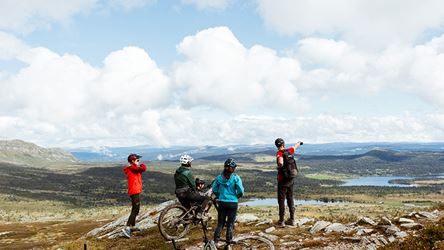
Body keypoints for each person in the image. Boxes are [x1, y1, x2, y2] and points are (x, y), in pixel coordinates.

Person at [212, 158, 244, 245]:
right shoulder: (236, 178)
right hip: (233, 203)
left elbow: (214, 189)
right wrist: (236, 197)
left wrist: (219, 196)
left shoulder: (219, 178)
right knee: (230, 224)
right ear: (233, 168)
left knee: (220, 223)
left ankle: (216, 241)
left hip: (222, 202)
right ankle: (228, 242)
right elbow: (241, 191)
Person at [275, 138, 302, 227]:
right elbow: (295, 146)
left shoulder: (279, 153)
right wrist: (299, 142)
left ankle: (281, 221)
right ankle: (292, 219)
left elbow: (280, 162)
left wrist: (279, 166)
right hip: (291, 179)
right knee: (290, 199)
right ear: (284, 144)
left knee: (281, 200)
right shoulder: (289, 151)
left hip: (282, 181)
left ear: (276, 146)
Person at [174, 154, 210, 218]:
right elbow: (193, 185)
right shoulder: (187, 172)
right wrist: (198, 188)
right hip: (187, 194)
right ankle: (199, 213)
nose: (191, 163)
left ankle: (186, 221)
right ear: (187, 163)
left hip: (179, 194)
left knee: (188, 210)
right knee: (206, 197)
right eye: (190, 161)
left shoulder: (177, 172)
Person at [122, 153, 147, 238]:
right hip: (134, 191)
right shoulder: (132, 168)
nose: (139, 162)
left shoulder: (133, 168)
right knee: (135, 209)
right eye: (137, 160)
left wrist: (138, 165)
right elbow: (143, 168)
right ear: (132, 161)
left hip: (135, 190)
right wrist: (141, 165)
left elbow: (140, 169)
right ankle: (127, 227)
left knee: (136, 209)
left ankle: (132, 226)